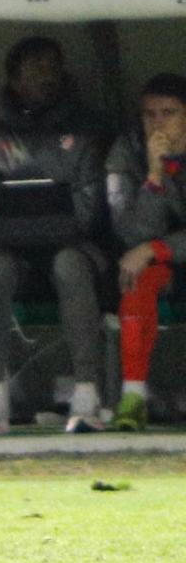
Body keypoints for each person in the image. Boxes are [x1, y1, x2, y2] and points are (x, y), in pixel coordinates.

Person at [0, 37, 109, 436]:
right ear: (14, 80)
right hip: (10, 250)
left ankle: (87, 392)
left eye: (53, 67)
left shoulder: (87, 130)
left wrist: (49, 226)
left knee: (68, 263)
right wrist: (10, 230)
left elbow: (91, 210)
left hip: (74, 247)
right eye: (35, 69)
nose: (47, 77)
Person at [104, 73, 186, 431]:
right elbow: (130, 230)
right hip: (155, 260)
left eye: (168, 113)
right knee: (135, 279)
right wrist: (154, 174)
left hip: (166, 250)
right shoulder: (127, 150)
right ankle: (134, 396)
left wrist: (157, 247)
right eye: (149, 114)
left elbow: (148, 242)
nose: (158, 122)